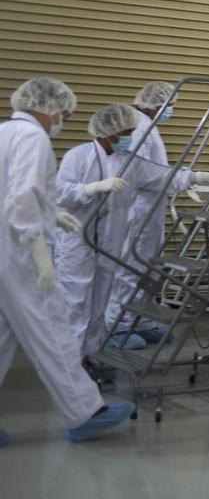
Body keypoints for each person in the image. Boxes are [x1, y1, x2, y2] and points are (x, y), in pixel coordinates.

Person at [0, 78, 134, 444]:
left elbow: (15, 191)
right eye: (65, 114)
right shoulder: (32, 137)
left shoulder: (4, 132)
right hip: (20, 253)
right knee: (53, 328)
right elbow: (23, 193)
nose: (62, 121)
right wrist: (40, 250)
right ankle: (84, 411)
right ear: (52, 108)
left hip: (4, 251)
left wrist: (51, 213)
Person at [103, 82, 209, 345]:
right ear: (155, 104)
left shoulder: (147, 127)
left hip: (149, 209)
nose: (171, 110)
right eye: (169, 105)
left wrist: (189, 178)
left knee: (147, 269)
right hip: (137, 211)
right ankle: (118, 325)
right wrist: (194, 177)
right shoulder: (138, 129)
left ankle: (141, 320)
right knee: (131, 267)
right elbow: (148, 175)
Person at [55, 104, 145, 355]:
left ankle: (91, 353)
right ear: (109, 132)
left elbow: (159, 176)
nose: (130, 136)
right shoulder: (78, 155)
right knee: (74, 301)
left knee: (100, 302)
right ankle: (69, 360)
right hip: (78, 241)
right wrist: (91, 188)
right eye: (127, 131)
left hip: (108, 242)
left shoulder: (128, 161)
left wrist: (196, 178)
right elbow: (60, 193)